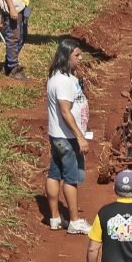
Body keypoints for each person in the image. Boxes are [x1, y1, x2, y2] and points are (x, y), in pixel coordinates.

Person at [46, 38, 91, 234]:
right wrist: (80, 137)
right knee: (71, 179)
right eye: (77, 55)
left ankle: (55, 218)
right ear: (66, 56)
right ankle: (74, 221)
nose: (80, 59)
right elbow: (65, 112)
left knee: (54, 174)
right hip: (67, 138)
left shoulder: (57, 76)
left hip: (56, 135)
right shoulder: (63, 82)